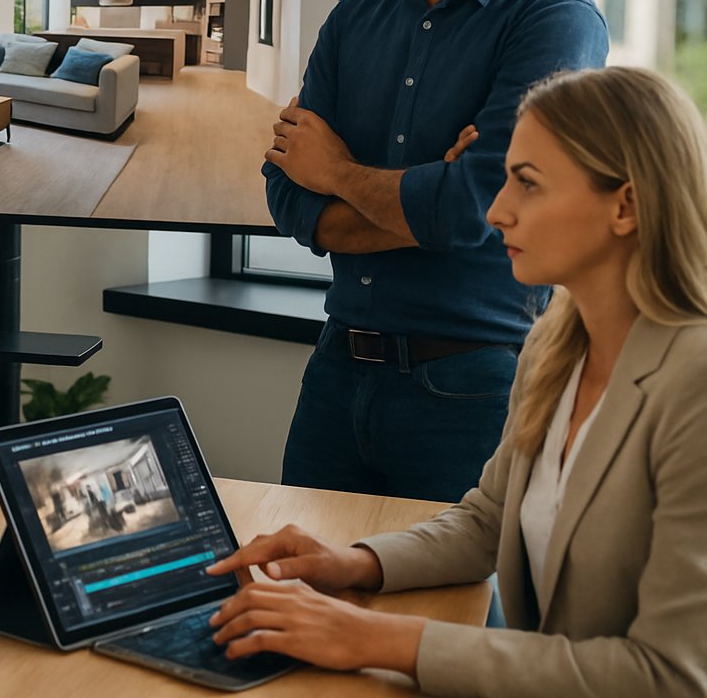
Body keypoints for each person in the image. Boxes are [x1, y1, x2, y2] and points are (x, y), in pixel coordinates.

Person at [209, 65, 707, 696]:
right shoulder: (555, 345)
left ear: (626, 205)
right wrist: (354, 564)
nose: (496, 212)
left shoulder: (693, 385)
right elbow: (487, 523)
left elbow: (670, 675)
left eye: (527, 185)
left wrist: (372, 638)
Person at [262, 0, 609, 502]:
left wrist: (339, 172)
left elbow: (476, 206)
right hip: (333, 371)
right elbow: (288, 196)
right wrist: (425, 197)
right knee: (299, 601)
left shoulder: (554, 21)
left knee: (451, 613)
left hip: (471, 389)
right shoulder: (352, 22)